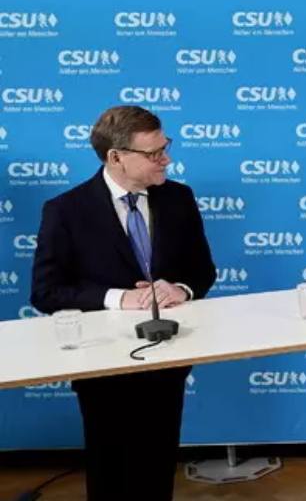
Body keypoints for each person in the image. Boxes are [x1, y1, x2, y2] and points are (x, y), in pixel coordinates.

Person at [31, 105, 216, 500]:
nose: (166, 159)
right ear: (116, 157)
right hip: (102, 368)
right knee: (111, 474)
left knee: (158, 468)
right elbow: (46, 292)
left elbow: (203, 270)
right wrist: (120, 298)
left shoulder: (179, 198)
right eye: (154, 153)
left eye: (165, 147)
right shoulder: (65, 211)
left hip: (167, 359)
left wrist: (181, 289)